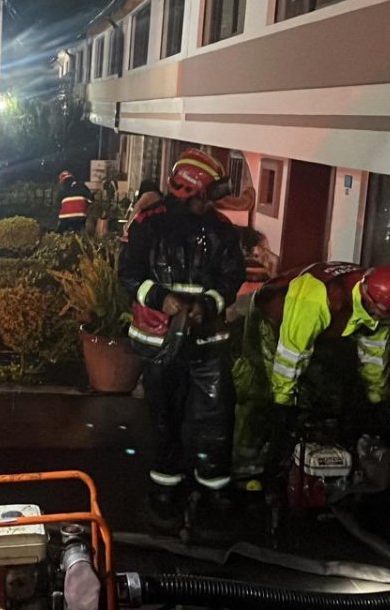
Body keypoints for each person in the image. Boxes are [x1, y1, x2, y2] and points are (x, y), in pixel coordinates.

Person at [118, 148, 247, 531]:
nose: (212, 203)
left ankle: (214, 486)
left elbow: (231, 275)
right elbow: (128, 273)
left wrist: (207, 306)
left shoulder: (221, 229)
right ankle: (165, 488)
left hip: (208, 341)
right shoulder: (147, 225)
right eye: (207, 195)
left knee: (216, 415)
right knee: (165, 420)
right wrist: (162, 299)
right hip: (160, 342)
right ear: (190, 190)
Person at [234, 262, 390, 478]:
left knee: (323, 386)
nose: (384, 321)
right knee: (262, 388)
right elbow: (291, 353)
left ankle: (308, 458)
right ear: (370, 300)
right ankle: (248, 465)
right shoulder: (321, 297)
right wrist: (282, 404)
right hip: (273, 313)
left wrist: (378, 399)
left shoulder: (378, 305)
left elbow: (374, 355)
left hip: (322, 323)